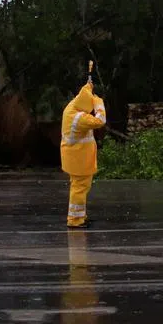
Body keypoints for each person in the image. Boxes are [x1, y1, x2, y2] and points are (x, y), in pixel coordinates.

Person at [60, 79, 106, 228]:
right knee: (79, 188)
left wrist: (88, 86)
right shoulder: (80, 117)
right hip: (79, 158)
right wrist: (98, 103)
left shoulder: (71, 107)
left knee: (79, 187)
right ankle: (75, 220)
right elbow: (100, 121)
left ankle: (80, 216)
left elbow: (82, 96)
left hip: (73, 157)